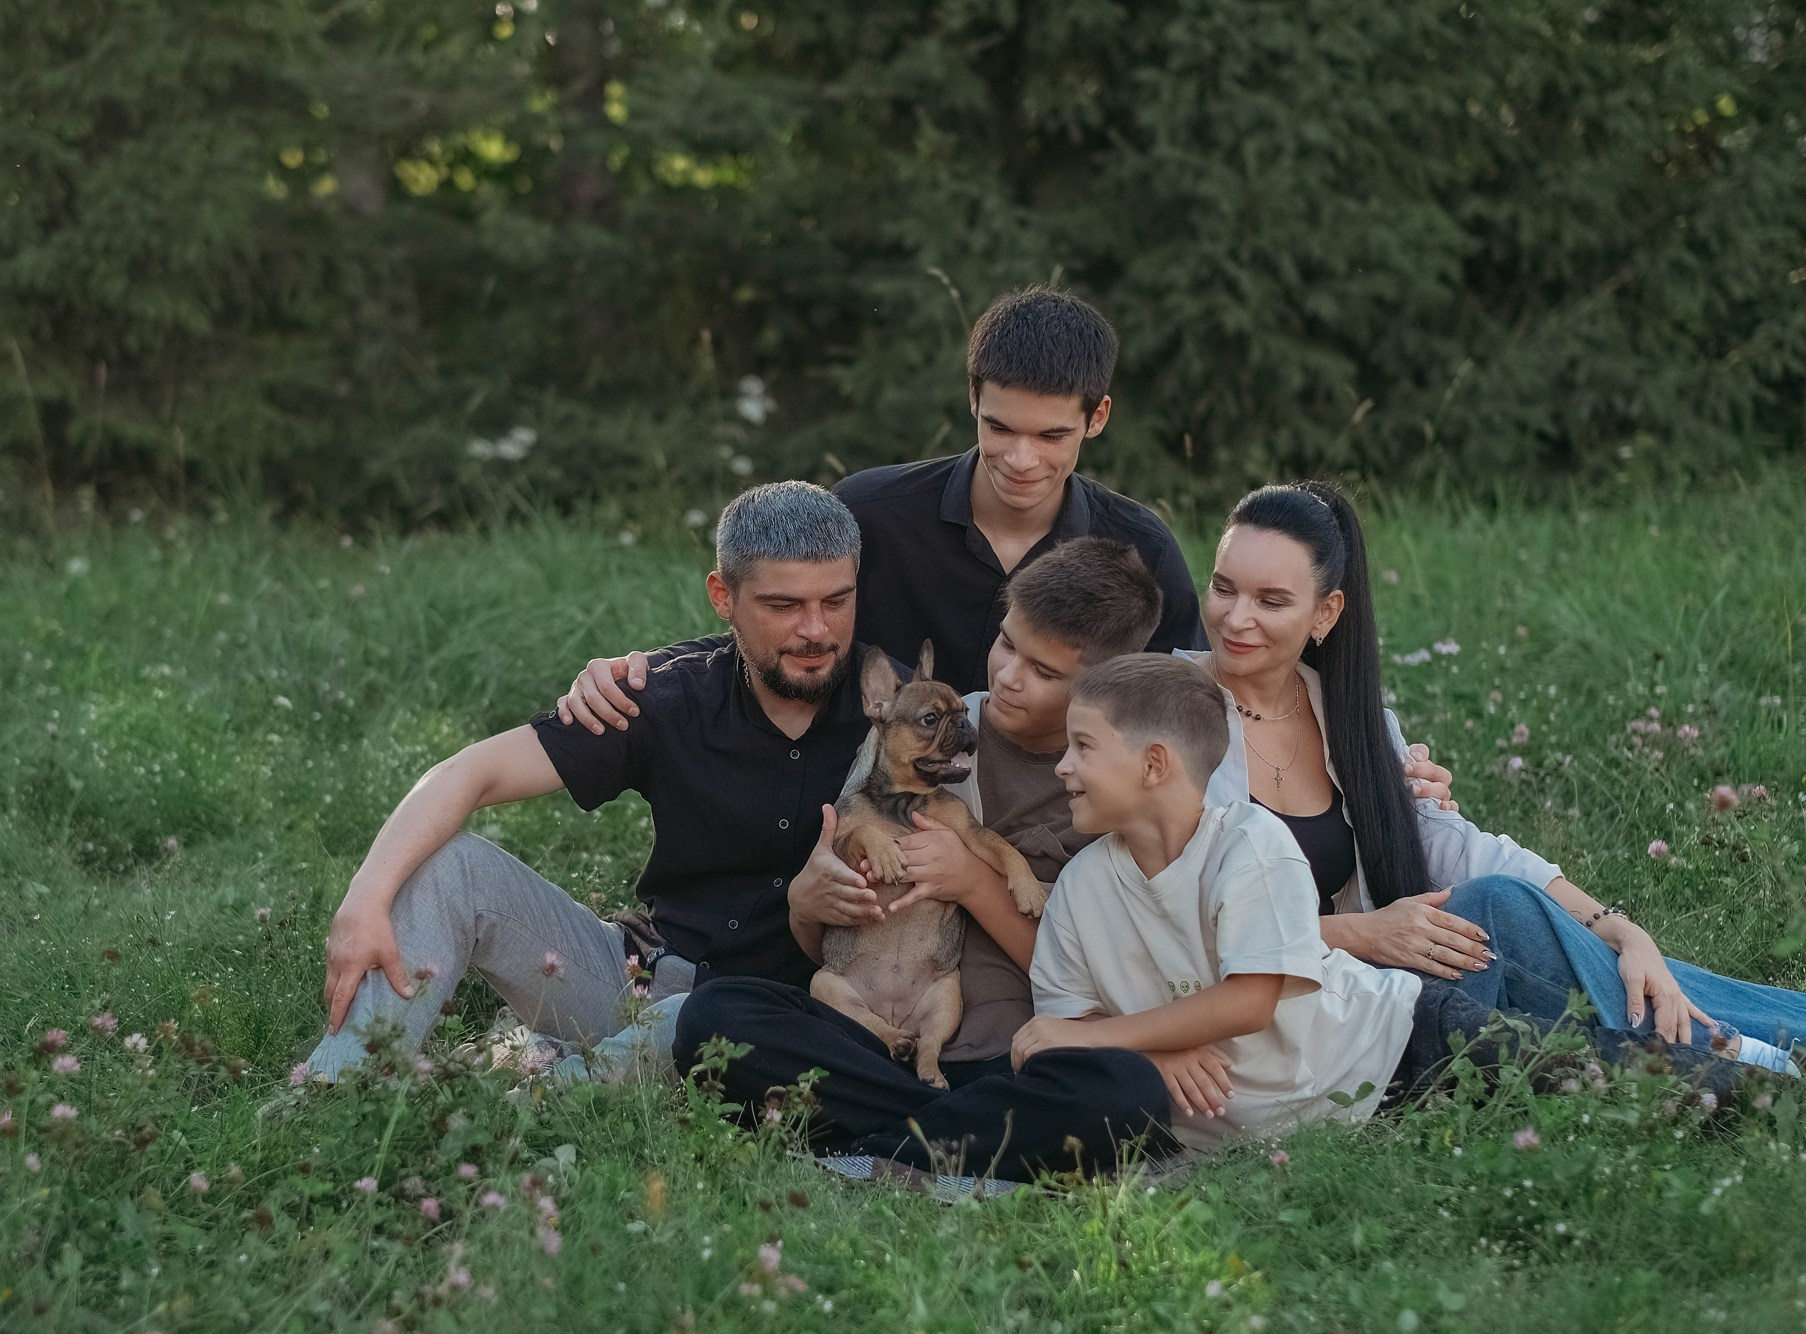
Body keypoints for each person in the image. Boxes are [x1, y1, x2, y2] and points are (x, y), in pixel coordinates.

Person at [1181, 480, 1806, 1078]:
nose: (1235, 617)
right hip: (1282, 1015)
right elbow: (1171, 920)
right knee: (1504, 925)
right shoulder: (1167, 713)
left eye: (1270, 600)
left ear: (1326, 615)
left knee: (1519, 915)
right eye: (1223, 588)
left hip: (1388, 986)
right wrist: (1362, 933)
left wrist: (1622, 927)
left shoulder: (1343, 711)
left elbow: (1452, 843)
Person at [1015, 655, 1740, 1152]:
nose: (1062, 766)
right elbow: (1062, 1022)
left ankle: (1786, 1082)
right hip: (1305, 1120)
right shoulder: (1081, 892)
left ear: (1152, 765)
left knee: (1607, 1076)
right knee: (1574, 1099)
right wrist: (1153, 1049)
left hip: (1401, 1038)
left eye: (1082, 747)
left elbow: (1249, 1001)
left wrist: (1110, 1038)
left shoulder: (1250, 846)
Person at [301, 482, 890, 1086]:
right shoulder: (664, 694)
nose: (816, 631)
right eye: (784, 606)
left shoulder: (900, 714)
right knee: (450, 866)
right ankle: (334, 1098)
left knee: (701, 1020)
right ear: (724, 596)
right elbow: (469, 773)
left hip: (777, 1020)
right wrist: (364, 901)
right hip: (634, 977)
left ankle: (521, 1103)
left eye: (836, 601)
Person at [673, 538, 1185, 1182]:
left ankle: (870, 1146)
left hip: (1018, 1051)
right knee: (714, 1016)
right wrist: (806, 903)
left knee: (1125, 1090)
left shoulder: (1115, 788)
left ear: (1104, 687)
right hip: (866, 1036)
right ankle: (947, 1142)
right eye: (1006, 644)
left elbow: (1096, 977)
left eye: (1045, 673)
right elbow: (829, 930)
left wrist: (973, 882)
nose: (1007, 677)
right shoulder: (930, 722)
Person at [552, 285, 1213, 714]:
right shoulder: (873, 511)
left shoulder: (1140, 548)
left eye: (1053, 436)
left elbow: (1189, 705)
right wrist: (637, 670)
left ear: (1097, 417)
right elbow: (779, 625)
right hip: (875, 800)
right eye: (1000, 428)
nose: (1021, 459)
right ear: (973, 399)